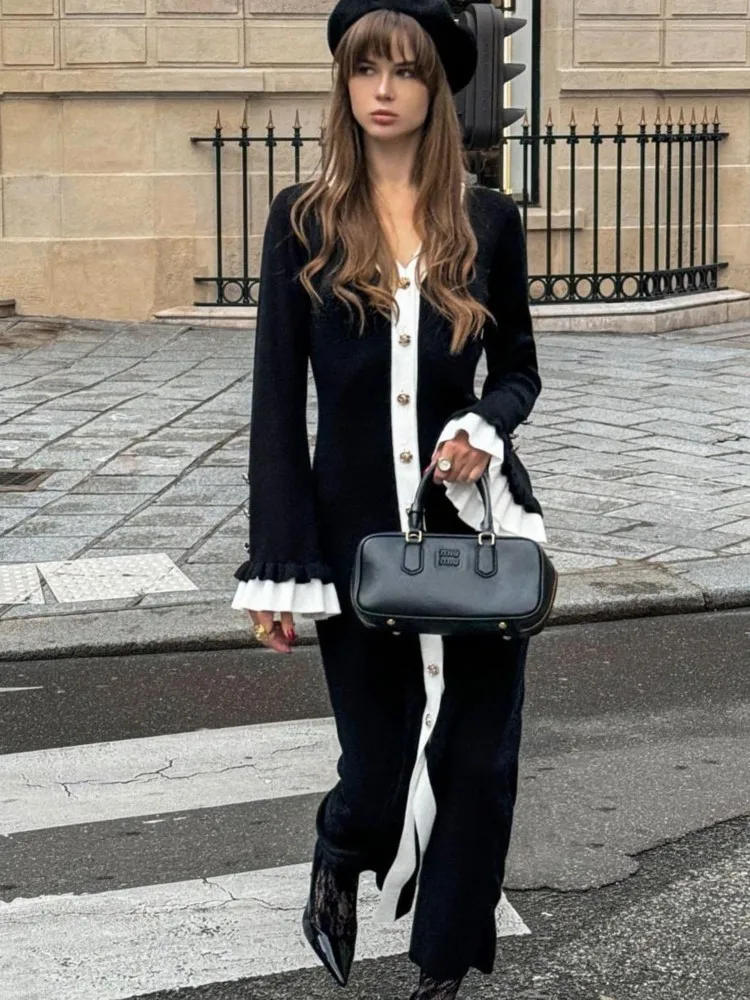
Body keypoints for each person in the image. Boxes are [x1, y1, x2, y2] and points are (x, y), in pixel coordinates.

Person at [231, 2, 547, 997]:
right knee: (374, 772)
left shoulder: (488, 222)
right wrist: (280, 567)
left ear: (434, 88)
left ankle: (441, 972)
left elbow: (519, 370)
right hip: (353, 537)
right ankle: (341, 846)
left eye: (405, 71)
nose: (383, 89)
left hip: (477, 535)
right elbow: (277, 405)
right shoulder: (303, 222)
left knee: (476, 764)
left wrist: (482, 427)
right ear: (344, 81)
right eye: (366, 68)